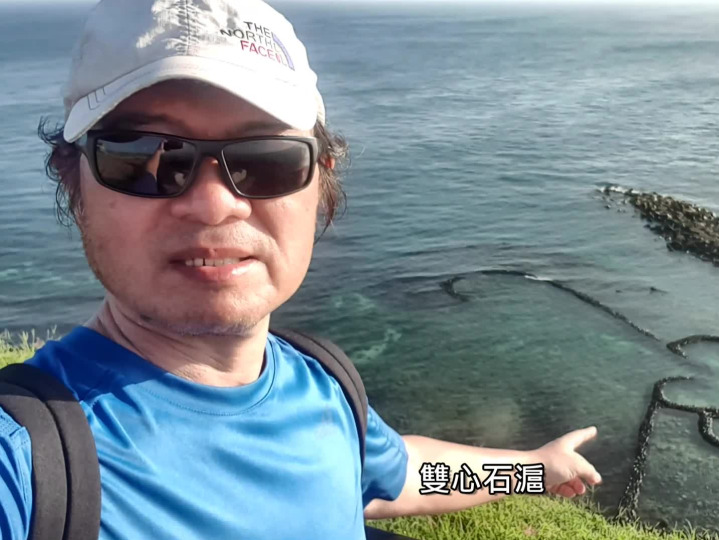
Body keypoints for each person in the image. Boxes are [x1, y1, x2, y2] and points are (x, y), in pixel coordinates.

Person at [0, 1, 603, 539]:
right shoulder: (26, 463)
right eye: (145, 158)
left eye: (266, 159)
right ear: (74, 185)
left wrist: (534, 470)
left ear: (320, 186)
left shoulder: (324, 386)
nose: (213, 204)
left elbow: (392, 476)